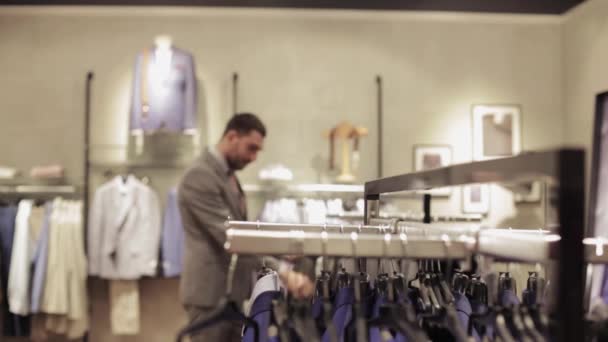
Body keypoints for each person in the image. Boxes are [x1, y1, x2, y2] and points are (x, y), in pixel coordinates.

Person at [178, 113, 313, 341]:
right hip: (208, 294)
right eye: (251, 148)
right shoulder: (200, 176)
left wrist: (283, 249)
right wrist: (281, 270)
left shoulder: (227, 175)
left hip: (230, 291)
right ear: (232, 137)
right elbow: (231, 236)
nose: (254, 157)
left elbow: (244, 230)